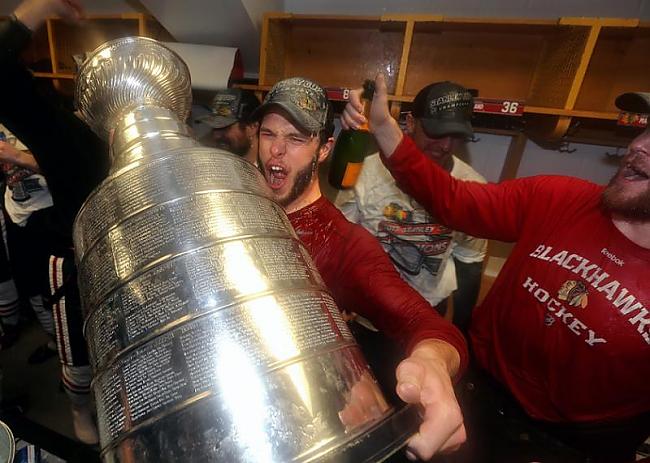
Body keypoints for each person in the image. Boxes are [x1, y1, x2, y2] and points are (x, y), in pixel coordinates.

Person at [342, 75, 650, 462]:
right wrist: (384, 128)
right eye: (645, 130)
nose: (638, 146)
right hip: (477, 396)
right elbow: (452, 199)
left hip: (573, 445)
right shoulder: (561, 198)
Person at [254, 76, 469, 461]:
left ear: (324, 149)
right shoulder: (240, 201)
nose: (277, 151)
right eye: (269, 134)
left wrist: (433, 361)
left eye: (297, 138)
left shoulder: (345, 244)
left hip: (297, 425)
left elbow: (426, 324)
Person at [1, 0, 108, 445]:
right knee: (75, 346)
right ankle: (78, 410)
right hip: (68, 252)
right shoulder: (67, 132)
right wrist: (38, 8)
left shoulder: (90, 131)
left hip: (105, 247)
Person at [336, 81, 487, 331]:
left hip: (424, 314)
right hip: (365, 313)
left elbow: (469, 263)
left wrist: (462, 332)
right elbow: (341, 240)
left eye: (457, 136)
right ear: (410, 123)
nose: (446, 146)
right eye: (437, 133)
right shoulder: (365, 172)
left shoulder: (472, 188)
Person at [195, 88, 260, 164]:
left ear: (252, 127)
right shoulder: (211, 163)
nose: (217, 135)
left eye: (224, 127)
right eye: (214, 128)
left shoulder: (270, 168)